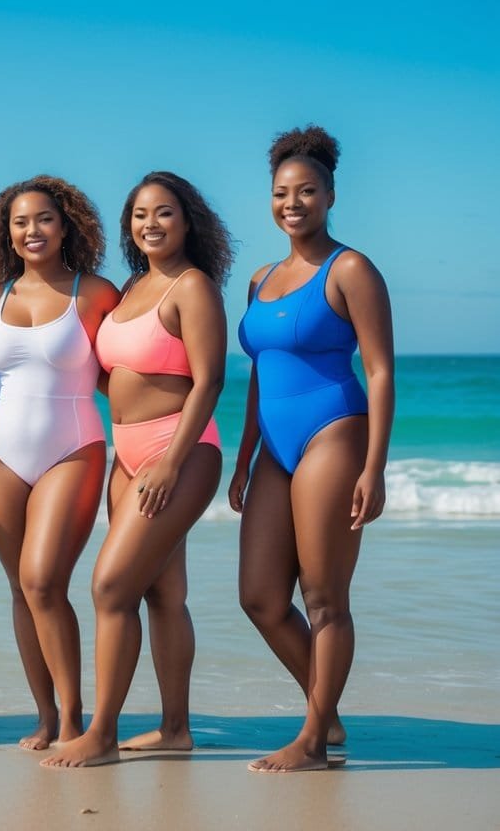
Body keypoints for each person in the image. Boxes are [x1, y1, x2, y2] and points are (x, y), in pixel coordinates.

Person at [44, 171, 232, 767]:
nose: (150, 224)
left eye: (164, 213)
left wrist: (171, 462)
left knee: (109, 587)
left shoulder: (193, 286)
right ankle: (175, 729)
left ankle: (101, 733)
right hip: (127, 456)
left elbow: (210, 381)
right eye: (139, 215)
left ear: (188, 221)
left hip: (180, 450)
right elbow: (117, 374)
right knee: (163, 594)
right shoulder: (131, 289)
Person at [232, 126, 394, 772]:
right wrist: (243, 458)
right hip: (273, 446)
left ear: (328, 195)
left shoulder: (349, 268)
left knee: (323, 598)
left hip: (334, 431)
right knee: (260, 598)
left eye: (305, 191)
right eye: (280, 193)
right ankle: (325, 716)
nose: (291, 202)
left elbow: (379, 370)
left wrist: (373, 467)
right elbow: (258, 373)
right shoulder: (259, 277)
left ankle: (312, 738)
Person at [0, 175, 119, 750]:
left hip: (73, 446)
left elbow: (125, 372)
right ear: (6, 234)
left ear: (66, 227)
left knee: (43, 581)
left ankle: (73, 715)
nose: (31, 230)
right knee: (20, 586)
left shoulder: (97, 293)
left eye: (43, 219)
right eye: (19, 222)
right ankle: (44, 713)